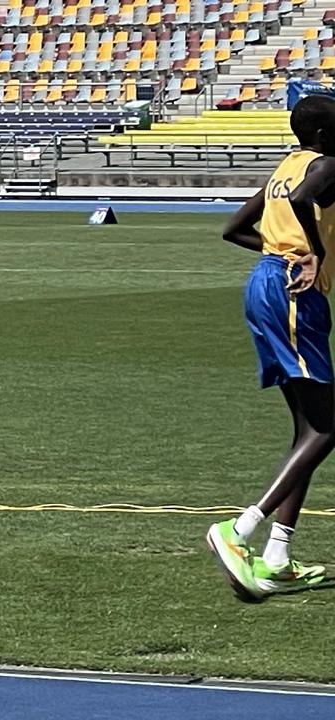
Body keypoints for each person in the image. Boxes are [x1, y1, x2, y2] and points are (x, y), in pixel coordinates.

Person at [208, 94, 335, 602]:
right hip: (291, 293)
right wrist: (312, 255)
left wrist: (279, 254)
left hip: (267, 283)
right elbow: (306, 203)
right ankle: (240, 529)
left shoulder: (288, 164)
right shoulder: (326, 165)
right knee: (329, 424)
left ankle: (278, 558)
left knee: (310, 428)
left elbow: (234, 228)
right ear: (326, 135)